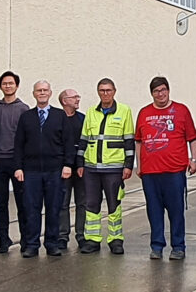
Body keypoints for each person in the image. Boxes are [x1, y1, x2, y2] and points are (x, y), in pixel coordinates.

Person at [135, 77, 196, 260]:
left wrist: (194, 160)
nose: (160, 94)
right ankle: (156, 246)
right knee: (154, 211)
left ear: (168, 90)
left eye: (163, 90)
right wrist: (139, 165)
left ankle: (178, 246)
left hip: (174, 171)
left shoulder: (181, 110)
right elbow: (138, 141)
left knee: (176, 211)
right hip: (150, 172)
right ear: (151, 93)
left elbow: (192, 137)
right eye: (156, 91)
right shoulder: (144, 113)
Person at [13, 80, 75, 257]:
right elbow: (18, 144)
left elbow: (68, 143)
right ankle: (32, 244)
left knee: (53, 208)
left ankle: (52, 243)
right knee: (31, 209)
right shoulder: (26, 117)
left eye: (45, 90)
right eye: (39, 90)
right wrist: (18, 167)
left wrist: (68, 165)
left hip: (55, 170)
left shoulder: (59, 116)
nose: (42, 93)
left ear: (50, 93)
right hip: (31, 171)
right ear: (34, 94)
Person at [77, 78, 135, 255]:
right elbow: (83, 140)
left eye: (108, 90)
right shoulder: (91, 112)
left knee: (114, 206)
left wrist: (128, 166)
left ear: (114, 91)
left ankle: (115, 240)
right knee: (91, 205)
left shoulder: (124, 111)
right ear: (98, 92)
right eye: (102, 90)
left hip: (114, 169)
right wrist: (80, 164)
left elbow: (129, 141)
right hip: (91, 169)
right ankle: (93, 240)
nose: (105, 93)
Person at [0, 71, 29, 253]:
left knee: (22, 202)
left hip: (16, 162)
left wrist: (21, 163)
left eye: (11, 83)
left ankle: (25, 238)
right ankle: (3, 239)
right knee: (1, 203)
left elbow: (26, 138)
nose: (8, 86)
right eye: (4, 83)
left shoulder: (23, 109)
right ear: (1, 86)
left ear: (16, 86)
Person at [57, 89, 86, 250]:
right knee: (62, 203)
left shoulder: (83, 119)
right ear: (64, 101)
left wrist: (82, 164)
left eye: (77, 96)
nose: (77, 99)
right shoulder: (57, 119)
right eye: (74, 97)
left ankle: (81, 235)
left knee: (82, 202)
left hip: (81, 167)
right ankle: (62, 236)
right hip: (62, 168)